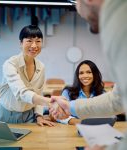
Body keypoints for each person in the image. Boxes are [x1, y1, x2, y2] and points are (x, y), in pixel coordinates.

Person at [50, 0, 127, 150]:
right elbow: (117, 99)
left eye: (76, 3)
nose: (79, 12)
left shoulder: (119, 17)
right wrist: (69, 106)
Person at [0, 25, 55, 127]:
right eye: (29, 41)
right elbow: (21, 93)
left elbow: (39, 93)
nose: (34, 45)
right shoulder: (10, 64)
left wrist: (39, 115)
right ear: (21, 43)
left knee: (32, 143)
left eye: (38, 41)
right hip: (7, 115)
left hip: (29, 116)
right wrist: (50, 102)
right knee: (3, 143)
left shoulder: (41, 67)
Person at [57, 60, 105, 125]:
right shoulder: (68, 92)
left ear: (95, 74)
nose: (85, 76)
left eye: (89, 72)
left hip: (97, 128)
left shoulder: (102, 93)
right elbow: (59, 115)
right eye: (81, 73)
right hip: (72, 129)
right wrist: (78, 122)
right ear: (78, 75)